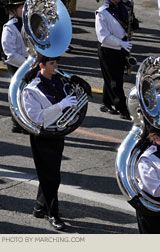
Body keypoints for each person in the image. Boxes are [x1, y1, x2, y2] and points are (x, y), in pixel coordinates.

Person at [22, 56, 79, 231]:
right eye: (52, 63)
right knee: (51, 176)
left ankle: (40, 207)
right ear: (41, 65)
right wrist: (61, 106)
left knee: (50, 172)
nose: (56, 66)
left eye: (56, 62)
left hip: (57, 133)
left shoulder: (59, 80)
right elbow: (37, 117)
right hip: (43, 135)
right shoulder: (31, 90)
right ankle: (52, 213)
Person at [95, 0, 132, 120]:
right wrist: (121, 43)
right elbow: (103, 37)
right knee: (115, 80)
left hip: (120, 48)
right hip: (108, 50)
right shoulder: (102, 12)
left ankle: (106, 103)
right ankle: (121, 107)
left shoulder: (122, 7)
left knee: (112, 77)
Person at [1, 0, 28, 133]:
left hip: (30, 63)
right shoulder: (10, 27)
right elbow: (10, 54)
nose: (24, 10)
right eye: (21, 8)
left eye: (25, 7)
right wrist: (28, 64)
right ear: (13, 10)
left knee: (28, 94)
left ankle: (26, 121)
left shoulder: (31, 23)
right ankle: (17, 123)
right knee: (17, 94)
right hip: (17, 64)